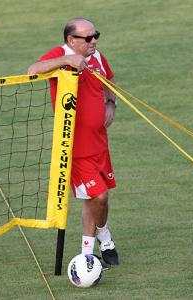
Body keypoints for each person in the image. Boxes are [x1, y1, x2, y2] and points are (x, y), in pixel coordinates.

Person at [27, 18, 119, 267]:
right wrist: (66, 61)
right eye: (88, 38)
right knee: (97, 196)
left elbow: (109, 80)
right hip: (75, 147)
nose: (94, 41)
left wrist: (110, 102)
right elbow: (32, 70)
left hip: (100, 142)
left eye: (95, 35)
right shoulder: (61, 54)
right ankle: (87, 256)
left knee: (103, 197)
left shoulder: (97, 56)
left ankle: (105, 236)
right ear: (71, 40)